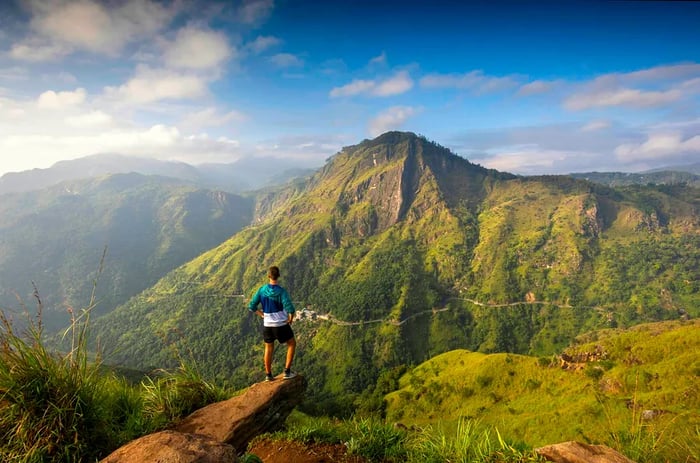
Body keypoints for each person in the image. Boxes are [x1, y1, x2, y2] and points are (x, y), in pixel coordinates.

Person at [247, 265, 297, 381]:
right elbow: (290, 308)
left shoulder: (261, 290)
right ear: (278, 276)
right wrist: (290, 318)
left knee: (268, 348)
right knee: (291, 343)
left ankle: (268, 375)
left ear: (268, 276)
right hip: (281, 324)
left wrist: (262, 315)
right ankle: (287, 372)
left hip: (267, 325)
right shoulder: (281, 291)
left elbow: (252, 306)